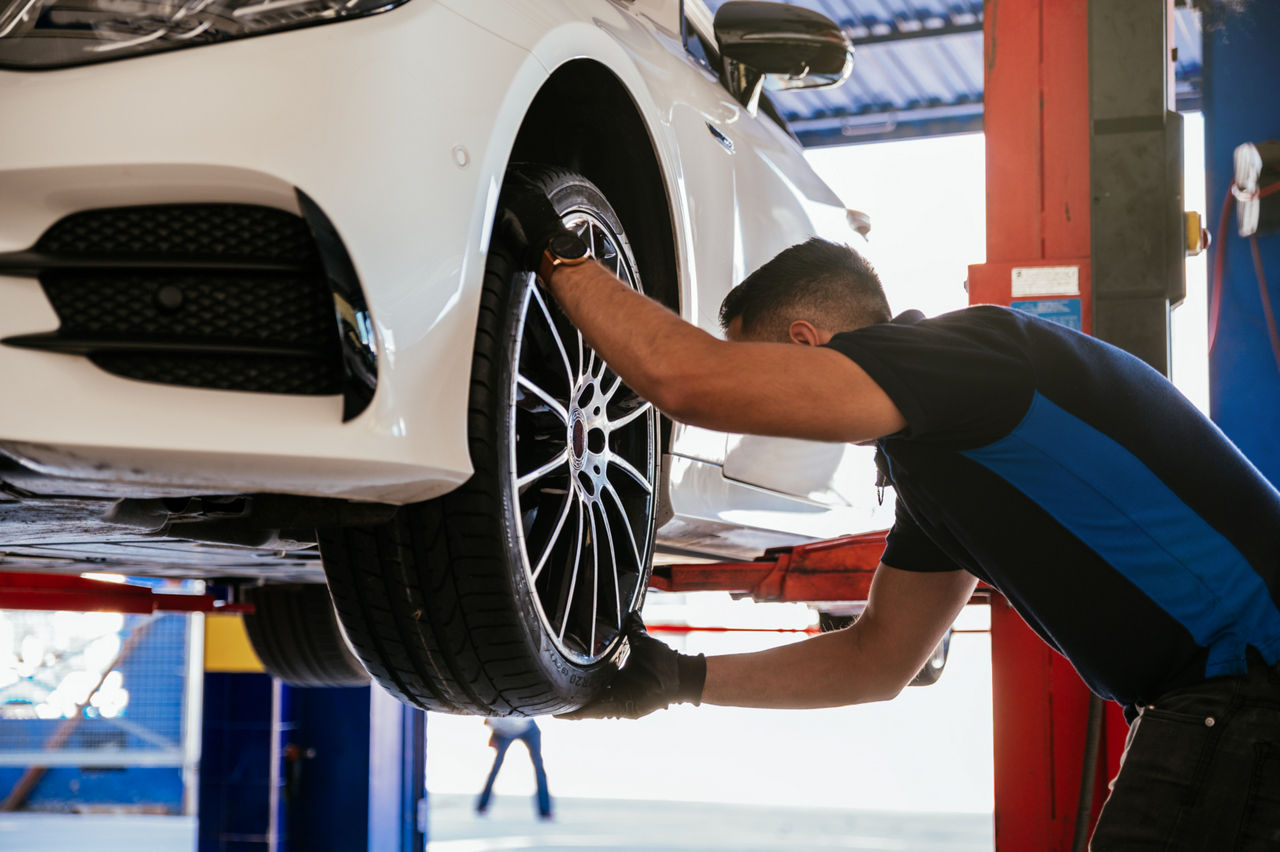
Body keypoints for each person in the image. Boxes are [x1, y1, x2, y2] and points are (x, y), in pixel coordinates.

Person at [498, 172, 1280, 851]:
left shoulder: (959, 359)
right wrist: (677, 678)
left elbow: (687, 380)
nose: (754, 413)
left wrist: (559, 254)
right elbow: (875, 659)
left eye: (760, 372)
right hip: (1226, 696)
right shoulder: (943, 469)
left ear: (808, 346)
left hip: (1248, 684)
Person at [476, 716, 552, 819]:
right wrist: (494, 737)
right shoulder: (493, 720)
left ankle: (545, 810)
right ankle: (482, 805)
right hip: (504, 733)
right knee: (496, 766)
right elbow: (490, 723)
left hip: (528, 728)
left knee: (539, 766)